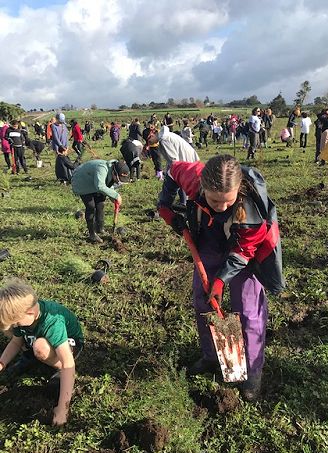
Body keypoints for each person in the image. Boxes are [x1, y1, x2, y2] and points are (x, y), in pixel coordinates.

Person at [158, 155, 284, 401]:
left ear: (239, 189)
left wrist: (219, 281)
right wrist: (165, 204)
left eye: (228, 201)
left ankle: (253, 370)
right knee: (203, 301)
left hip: (244, 252)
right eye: (215, 200)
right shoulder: (193, 178)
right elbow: (172, 170)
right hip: (208, 240)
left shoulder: (251, 213)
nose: (222, 207)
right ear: (202, 186)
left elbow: (243, 253)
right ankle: (210, 355)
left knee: (248, 310)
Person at [0, 278, 84, 426]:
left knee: (40, 347)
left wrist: (63, 409)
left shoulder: (52, 323)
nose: (15, 326)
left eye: (16, 323)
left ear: (31, 312)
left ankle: (54, 367)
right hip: (43, 339)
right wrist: (2, 363)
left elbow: (68, 363)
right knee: (32, 343)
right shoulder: (24, 315)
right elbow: (15, 341)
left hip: (69, 345)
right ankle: (32, 357)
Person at [71, 159, 128, 242]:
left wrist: (112, 196)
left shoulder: (112, 170)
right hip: (82, 181)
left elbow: (108, 184)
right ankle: (92, 234)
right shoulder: (102, 168)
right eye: (118, 179)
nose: (117, 181)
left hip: (94, 182)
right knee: (91, 206)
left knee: (100, 204)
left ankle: (100, 229)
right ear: (114, 173)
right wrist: (116, 195)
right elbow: (100, 186)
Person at [157, 125, 199, 206]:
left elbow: (173, 161)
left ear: (152, 134)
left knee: (176, 182)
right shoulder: (169, 136)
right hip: (189, 161)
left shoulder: (164, 140)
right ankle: (184, 203)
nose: (149, 142)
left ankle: (179, 205)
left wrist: (169, 173)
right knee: (180, 182)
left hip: (185, 163)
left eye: (148, 140)